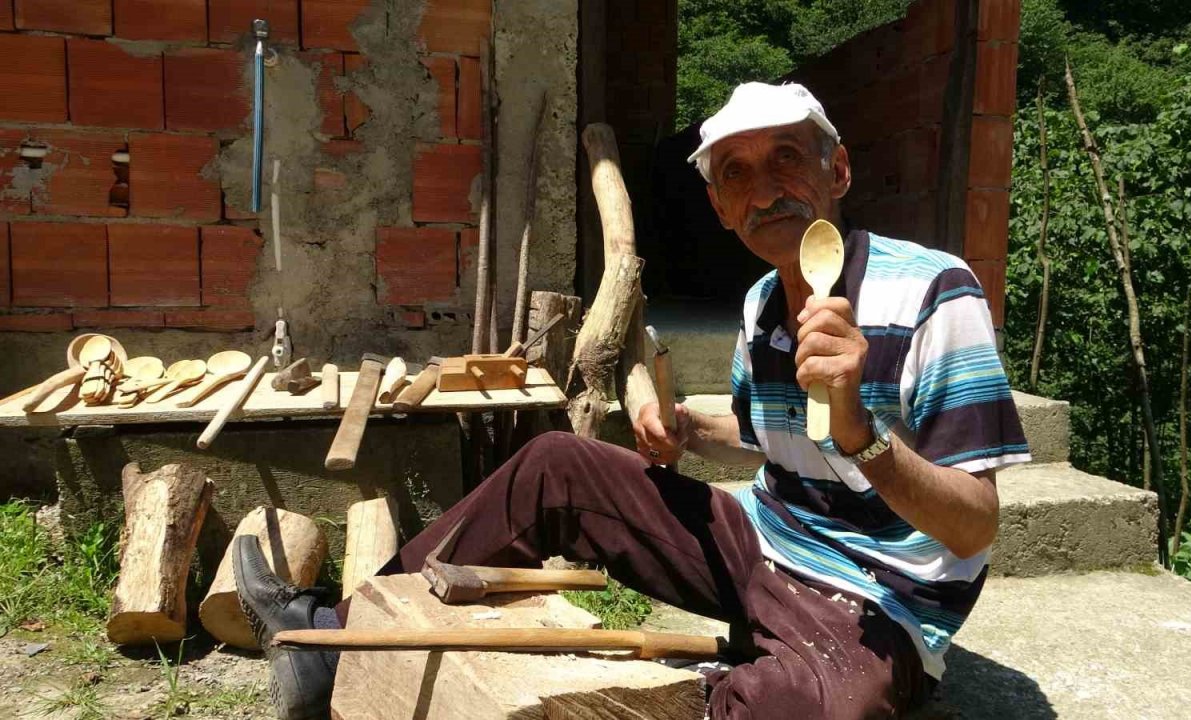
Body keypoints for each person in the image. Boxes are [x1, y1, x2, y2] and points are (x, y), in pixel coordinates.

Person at [234, 81, 1030, 720]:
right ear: (719, 207)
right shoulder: (762, 303)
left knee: (820, 700)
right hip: (761, 553)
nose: (766, 190)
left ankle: (725, 691)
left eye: (789, 159)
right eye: (736, 175)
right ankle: (334, 640)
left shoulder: (932, 292)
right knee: (556, 464)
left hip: (875, 604)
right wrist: (687, 428)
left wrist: (861, 434)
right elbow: (770, 436)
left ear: (840, 171)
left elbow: (974, 521)